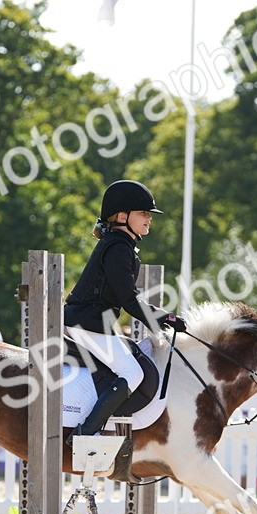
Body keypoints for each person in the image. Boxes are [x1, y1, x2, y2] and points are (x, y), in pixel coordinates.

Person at [63, 179, 185, 451]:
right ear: (122, 216)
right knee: (131, 372)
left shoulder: (120, 244)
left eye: (148, 215)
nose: (148, 219)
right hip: (88, 323)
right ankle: (85, 434)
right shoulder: (118, 248)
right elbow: (127, 300)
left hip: (92, 321)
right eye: (143, 213)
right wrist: (164, 318)